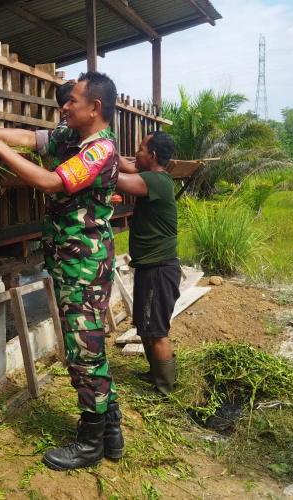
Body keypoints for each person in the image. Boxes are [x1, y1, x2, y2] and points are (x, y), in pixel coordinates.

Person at [0, 72, 123, 471]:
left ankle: (90, 442)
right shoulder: (74, 138)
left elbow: (50, 182)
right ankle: (111, 432)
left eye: (73, 100)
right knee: (89, 344)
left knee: (84, 351)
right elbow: (31, 139)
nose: (64, 106)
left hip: (84, 266)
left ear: (94, 108)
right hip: (71, 261)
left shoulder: (99, 151)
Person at [116, 131, 181, 396]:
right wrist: (106, 146)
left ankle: (165, 389)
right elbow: (124, 164)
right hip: (150, 266)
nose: (136, 153)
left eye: (141, 149)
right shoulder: (155, 178)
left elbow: (115, 179)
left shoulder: (155, 180)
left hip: (158, 268)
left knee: (157, 330)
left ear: (152, 156)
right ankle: (155, 374)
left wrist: (90, 160)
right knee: (146, 325)